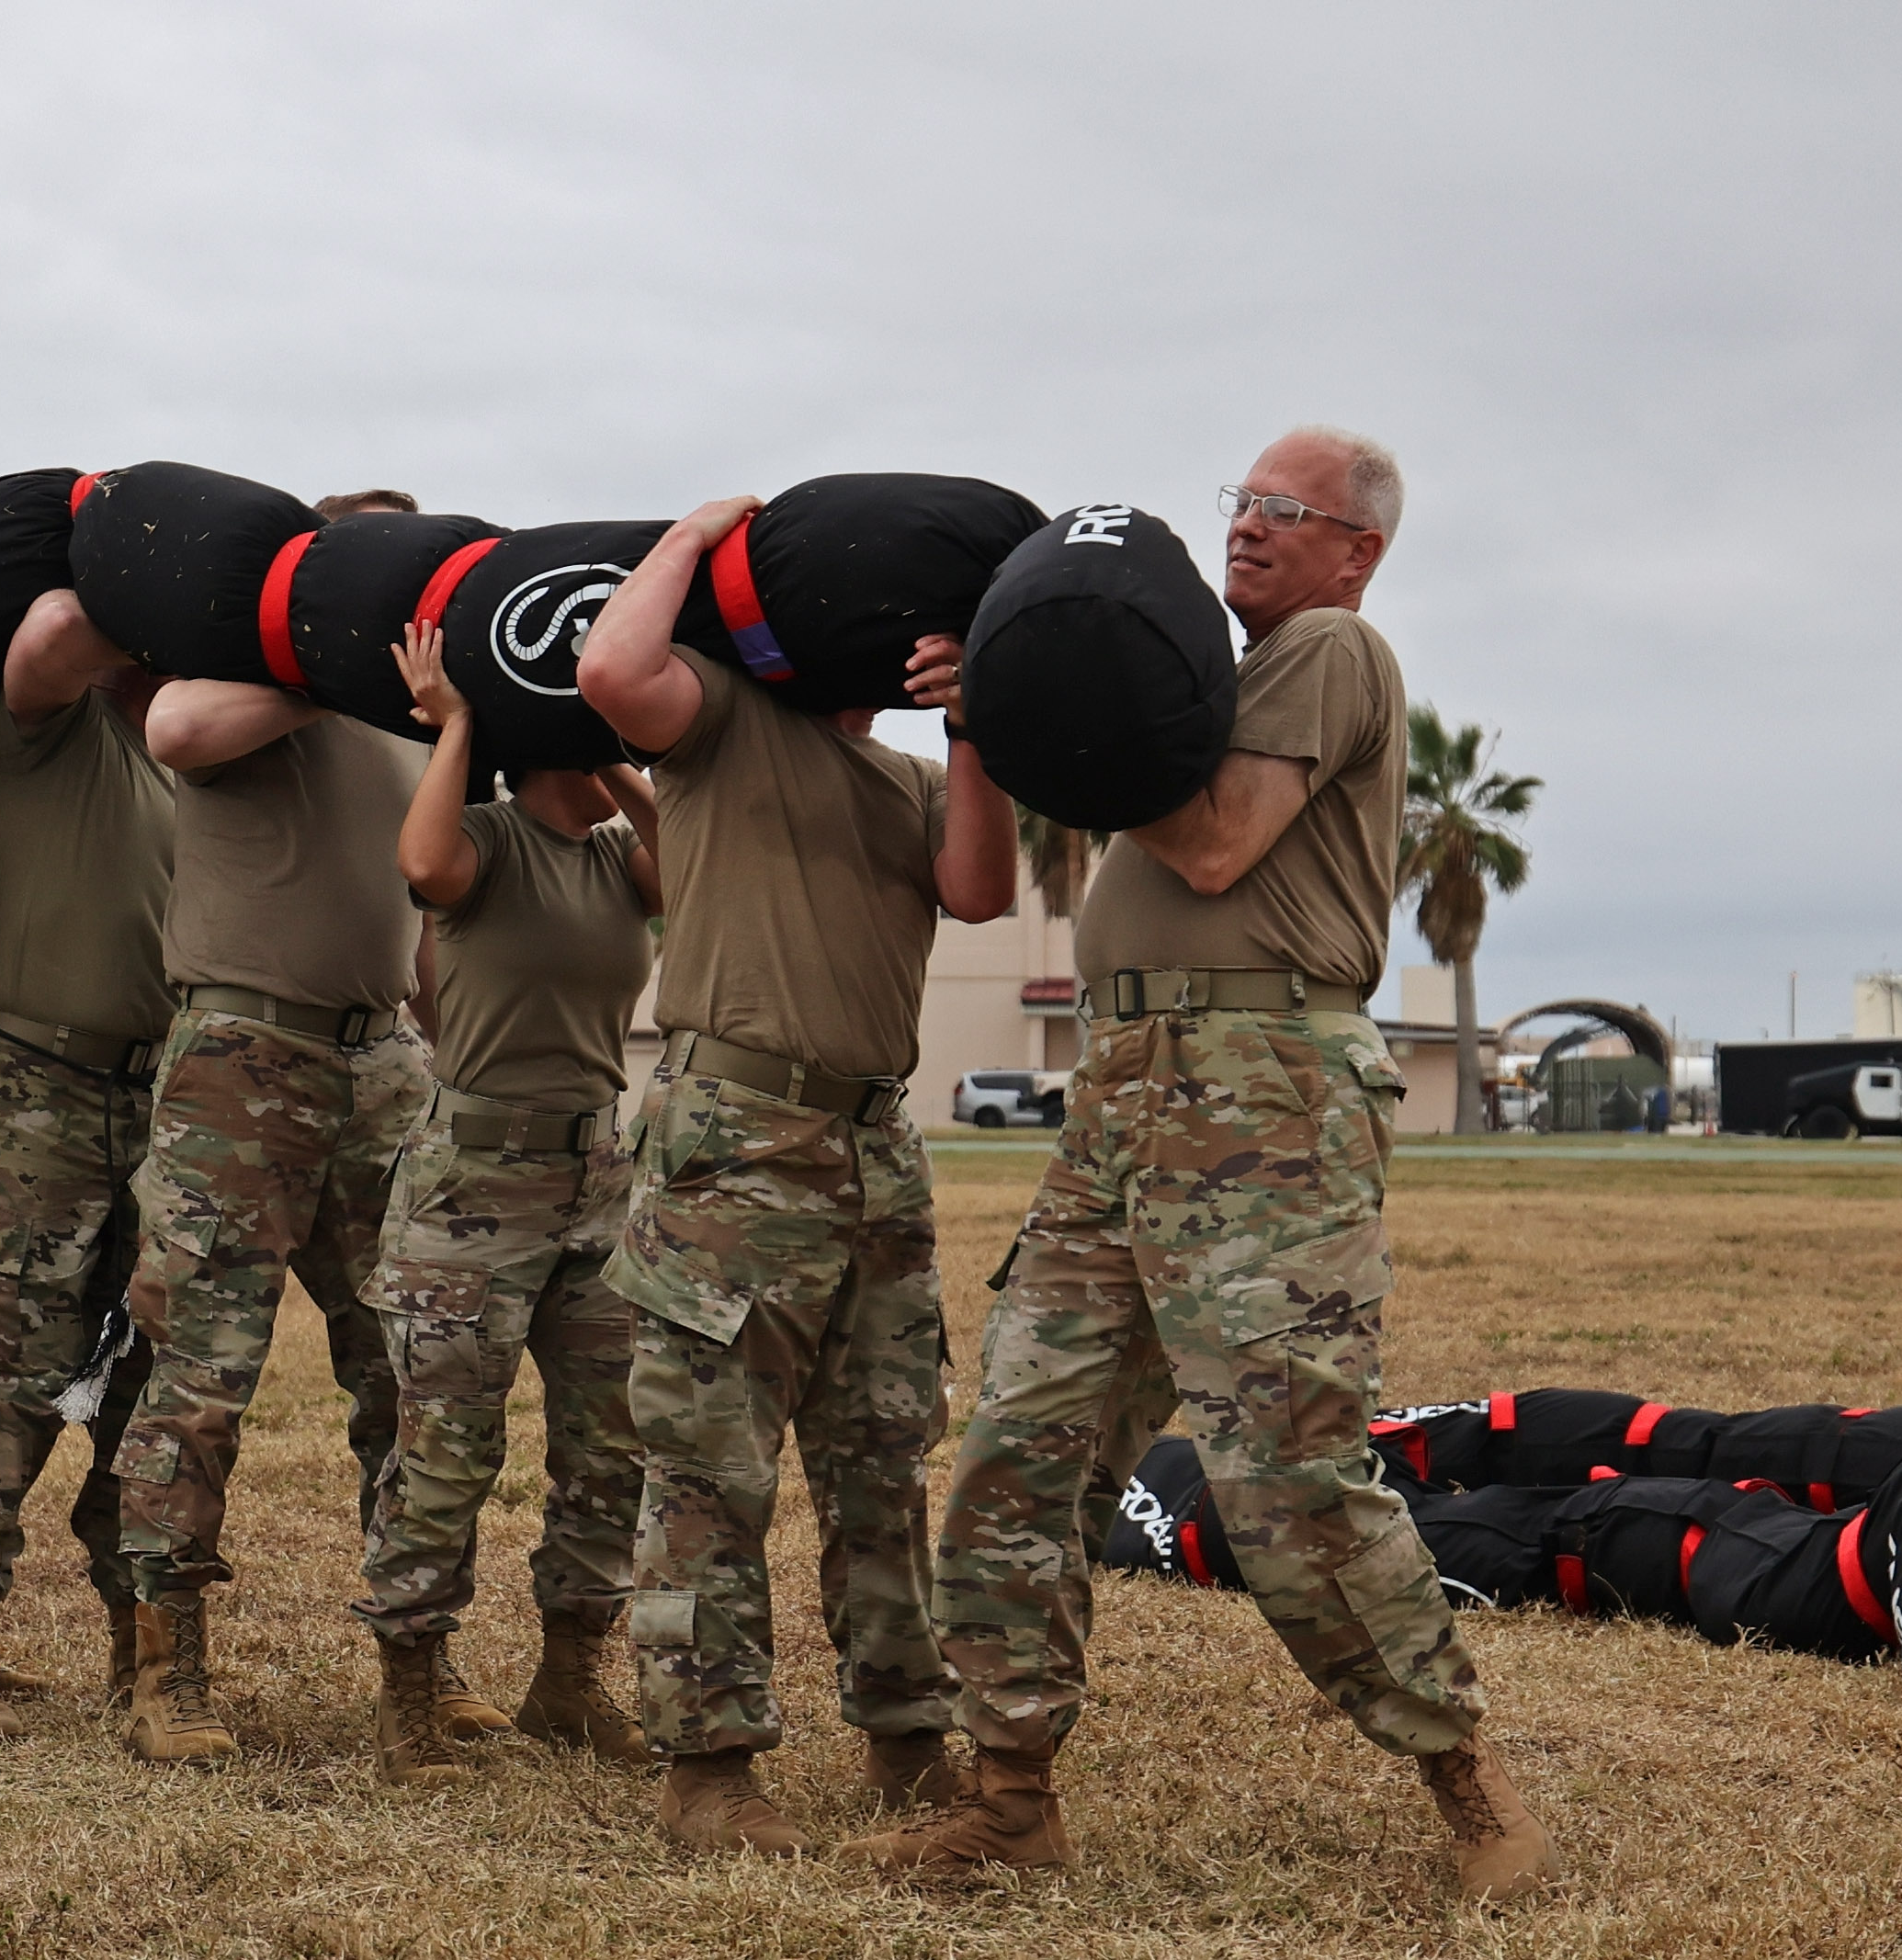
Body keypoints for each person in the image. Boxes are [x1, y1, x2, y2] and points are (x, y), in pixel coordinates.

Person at [853, 428, 1559, 1902]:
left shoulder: (1326, 653)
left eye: (1281, 512)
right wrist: (998, 721)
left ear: (1354, 550)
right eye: (1237, 504)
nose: (1244, 531)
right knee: (1016, 1458)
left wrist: (1035, 720)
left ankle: (1469, 1784)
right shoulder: (1202, 691)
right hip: (1123, 1096)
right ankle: (1008, 1793)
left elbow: (1222, 844)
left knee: (1286, 1479)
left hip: (1261, 1101)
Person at [574, 496, 1018, 1854]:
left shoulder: (916, 781)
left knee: (879, 1461)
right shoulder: (716, 725)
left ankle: (902, 1737)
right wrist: (697, 535)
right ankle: (705, 1770)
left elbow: (983, 889)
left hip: (872, 1148)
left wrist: (970, 717)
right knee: (711, 1466)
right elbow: (605, 670)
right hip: (733, 1137)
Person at [112, 543, 445, 1765]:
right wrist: (332, 671)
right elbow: (175, 729)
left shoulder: (417, 730)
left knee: (407, 1372)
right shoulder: (242, 692)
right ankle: (163, 1667)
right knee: (203, 1371)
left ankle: (420, 1661)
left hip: (382, 1063)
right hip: (242, 1051)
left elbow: (414, 918)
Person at [347, 616, 663, 1784]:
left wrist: (611, 753)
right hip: (471, 1184)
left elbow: (692, 867)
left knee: (611, 1440)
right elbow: (421, 871)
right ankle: (411, 1698)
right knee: (445, 1448)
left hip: (597, 1178)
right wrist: (468, 718)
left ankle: (569, 1681)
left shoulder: (617, 855)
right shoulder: (481, 840)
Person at [0, 588, 175, 1739]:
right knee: (2, 1371)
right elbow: (53, 633)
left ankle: (143, 1650)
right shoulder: (56, 722)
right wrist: (167, 583)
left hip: (155, 1099)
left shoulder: (190, 759)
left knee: (137, 1382)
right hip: (29, 1092)